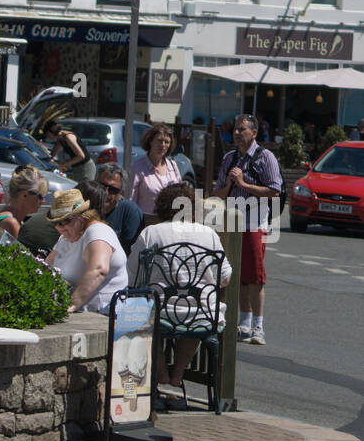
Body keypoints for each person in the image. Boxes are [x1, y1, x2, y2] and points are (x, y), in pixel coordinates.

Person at [127, 182, 232, 388]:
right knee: (196, 314)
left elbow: (133, 278)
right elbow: (225, 279)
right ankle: (178, 371)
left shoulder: (150, 233)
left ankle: (160, 370)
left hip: (161, 314)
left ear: (162, 206)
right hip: (202, 315)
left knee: (140, 315)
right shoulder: (208, 234)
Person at [213, 113, 281, 346]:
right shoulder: (229, 158)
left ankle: (258, 327)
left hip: (254, 224)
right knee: (237, 275)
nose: (236, 133)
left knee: (256, 277)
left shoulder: (266, 157)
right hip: (231, 225)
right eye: (235, 129)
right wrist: (231, 184)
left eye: (242, 129)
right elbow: (218, 193)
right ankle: (244, 322)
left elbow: (274, 191)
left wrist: (243, 184)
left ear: (254, 133)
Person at [44, 182, 128, 314]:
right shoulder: (66, 237)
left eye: (64, 221)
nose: (59, 227)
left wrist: (69, 306)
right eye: (55, 223)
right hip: (79, 312)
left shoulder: (98, 230)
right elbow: (46, 267)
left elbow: (98, 270)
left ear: (81, 217)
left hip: (103, 314)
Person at [0, 166, 48, 246]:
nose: (43, 201)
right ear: (24, 195)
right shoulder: (10, 223)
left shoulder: (9, 215)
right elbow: (22, 257)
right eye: (40, 196)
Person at [130, 123, 181, 216]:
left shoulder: (173, 166)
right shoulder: (137, 167)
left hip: (169, 223)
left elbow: (181, 196)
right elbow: (131, 200)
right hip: (146, 223)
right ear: (150, 141)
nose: (163, 145)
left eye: (167, 142)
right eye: (159, 141)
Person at [95, 162, 143, 255]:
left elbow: (130, 253)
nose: (105, 193)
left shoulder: (130, 211)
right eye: (101, 186)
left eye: (112, 190)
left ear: (121, 193)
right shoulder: (85, 206)